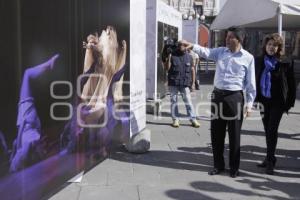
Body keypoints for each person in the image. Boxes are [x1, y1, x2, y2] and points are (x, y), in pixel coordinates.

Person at [181, 27, 256, 178]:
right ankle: (218, 165)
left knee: (234, 135)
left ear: (239, 39)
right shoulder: (221, 51)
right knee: (216, 133)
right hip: (218, 96)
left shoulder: (248, 58)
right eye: (227, 37)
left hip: (235, 97)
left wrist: (249, 105)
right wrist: (192, 45)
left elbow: (250, 84)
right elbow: (206, 52)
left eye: (230, 37)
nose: (227, 39)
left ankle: (234, 168)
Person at [255, 33, 296, 175]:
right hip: (263, 100)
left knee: (272, 129)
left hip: (278, 102)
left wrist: (289, 103)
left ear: (279, 48)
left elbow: (291, 84)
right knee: (267, 130)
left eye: (274, 45)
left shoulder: (285, 62)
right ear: (265, 46)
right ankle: (268, 157)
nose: (271, 47)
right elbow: (254, 79)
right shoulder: (258, 60)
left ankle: (271, 161)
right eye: (269, 44)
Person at [163, 42, 200, 128]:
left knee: (188, 101)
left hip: (185, 83)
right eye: (179, 45)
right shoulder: (172, 55)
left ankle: (193, 119)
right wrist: (168, 57)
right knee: (174, 102)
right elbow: (167, 69)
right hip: (173, 83)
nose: (181, 47)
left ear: (186, 46)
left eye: (183, 45)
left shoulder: (190, 57)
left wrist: (193, 83)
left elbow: (192, 70)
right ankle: (175, 119)